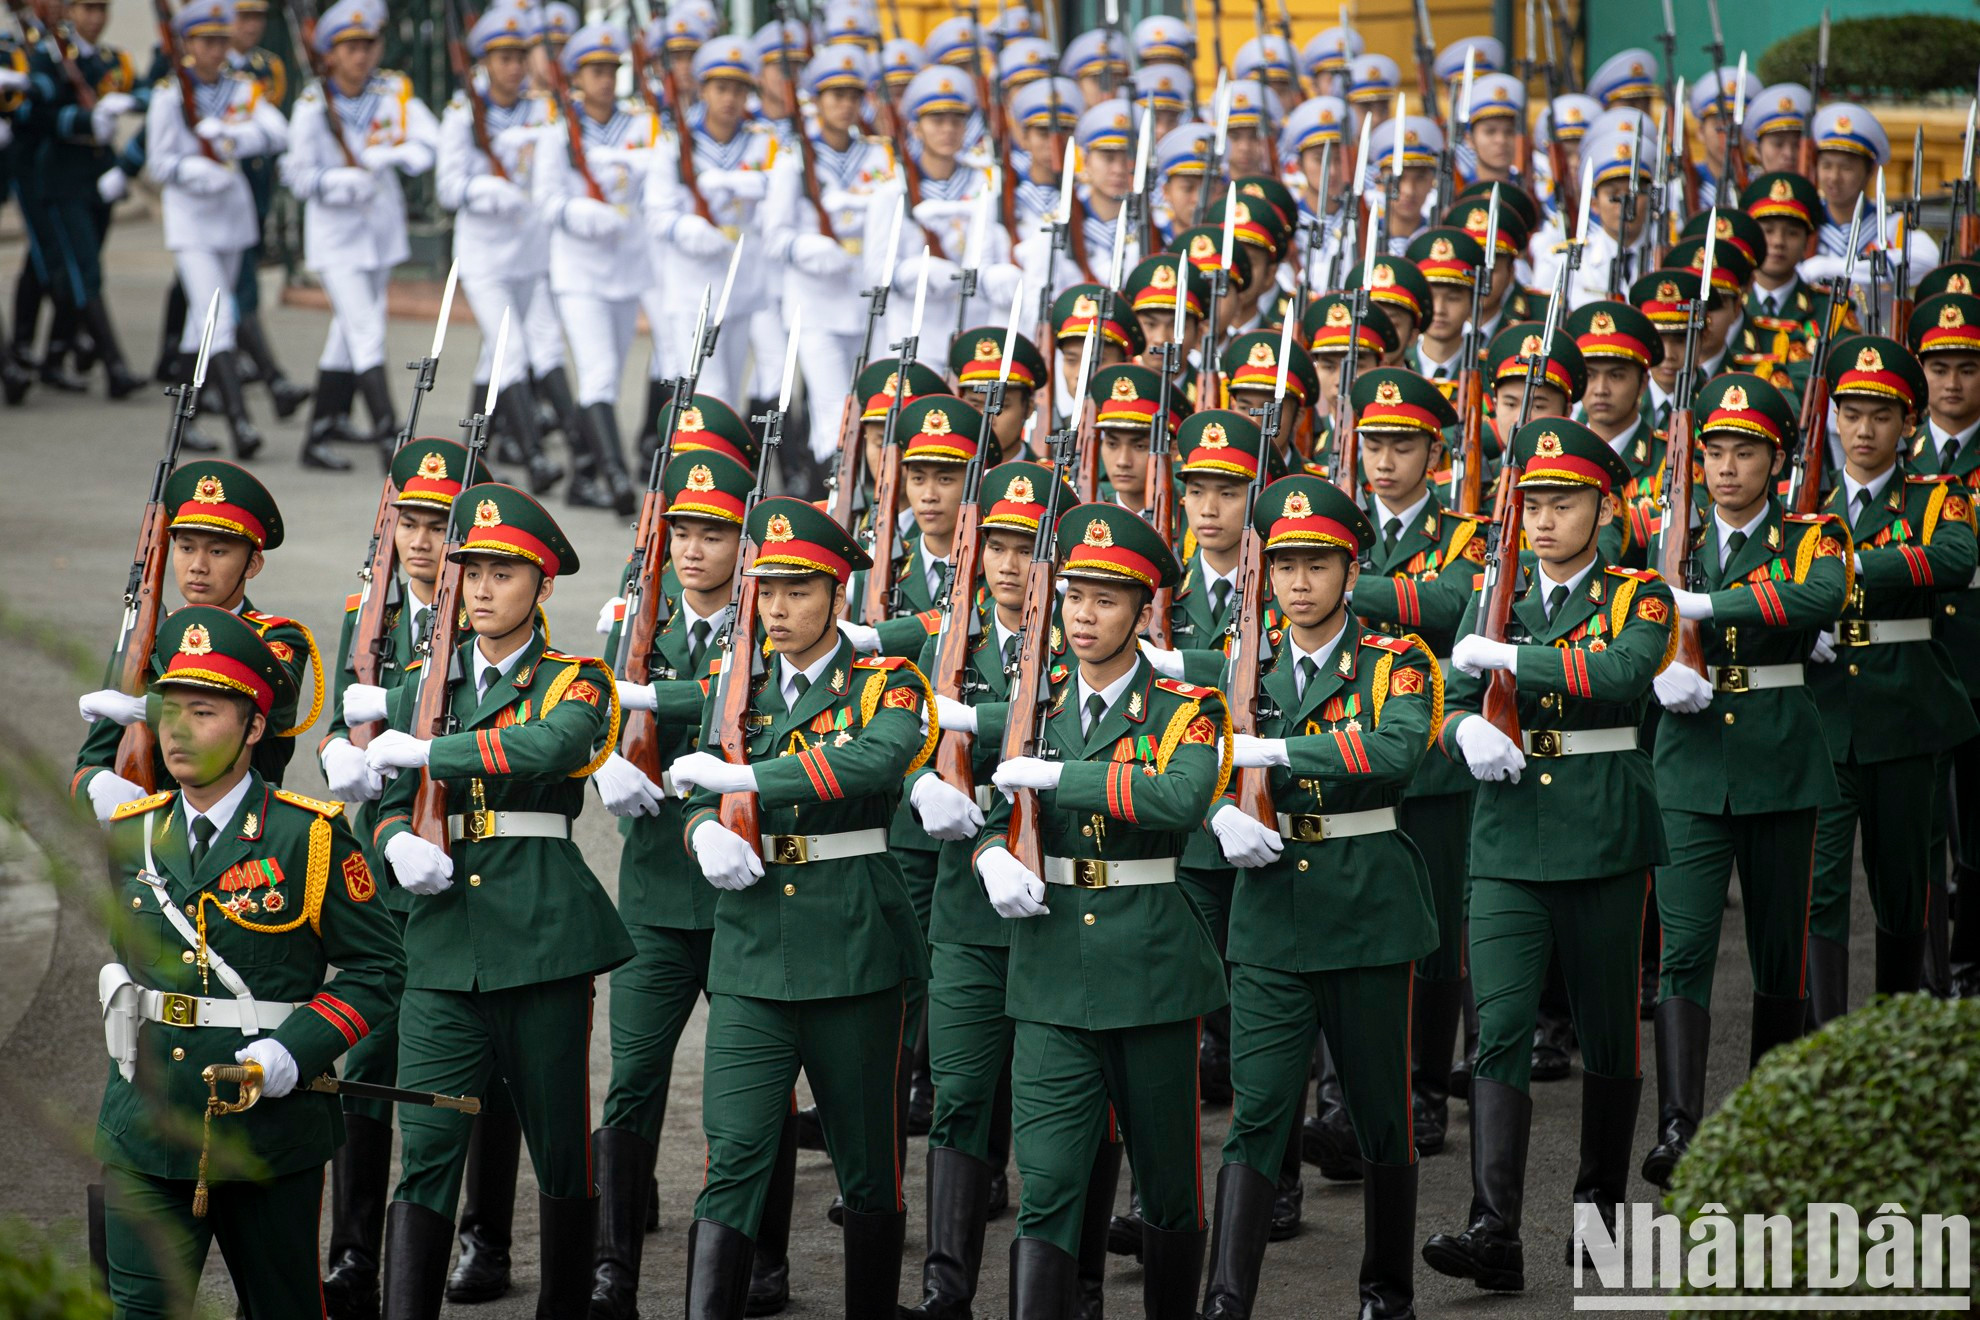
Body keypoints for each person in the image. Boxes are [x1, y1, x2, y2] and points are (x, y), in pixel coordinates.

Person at [365, 482, 633, 1316]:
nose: (481, 587)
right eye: (470, 569)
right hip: (443, 947)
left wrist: (427, 750)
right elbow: (380, 799)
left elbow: (552, 745)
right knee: (430, 1144)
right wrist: (393, 841)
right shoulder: (422, 681)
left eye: (503, 572)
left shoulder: (574, 680)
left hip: (543, 936)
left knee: (558, 1147)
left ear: (543, 586)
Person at [94, 605, 405, 1317]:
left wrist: (295, 1052)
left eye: (202, 712)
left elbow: (378, 970)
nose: (177, 731)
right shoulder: (132, 835)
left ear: (255, 726)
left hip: (269, 1132)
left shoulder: (310, 838)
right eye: (167, 710)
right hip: (145, 1124)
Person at [1422, 418, 1675, 1290]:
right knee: (1497, 1028)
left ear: (1600, 509)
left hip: (1602, 833)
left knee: (1609, 1032)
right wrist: (1461, 728)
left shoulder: (1639, 593)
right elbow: (1442, 695)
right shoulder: (1493, 591)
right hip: (1504, 837)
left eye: (1562, 504)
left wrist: (1511, 658)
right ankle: (1493, 1227)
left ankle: (1601, 1208)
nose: (1543, 520)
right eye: (1532, 503)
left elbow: (1621, 673)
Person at [669, 496, 934, 1315]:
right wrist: (700, 834)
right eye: (767, 591)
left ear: (836, 597)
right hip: (751, 951)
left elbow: (874, 762)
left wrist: (741, 783)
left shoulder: (886, 683)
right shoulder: (732, 682)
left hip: (851, 944)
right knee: (736, 1153)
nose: (778, 609)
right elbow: (695, 788)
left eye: (798, 590)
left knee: (866, 1168)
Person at [974, 502, 1230, 1317]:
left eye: (1107, 600)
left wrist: (1064, 780)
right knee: (1046, 1182)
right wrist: (986, 854)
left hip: (1150, 966)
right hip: (1050, 970)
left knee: (1167, 1185)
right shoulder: (1034, 700)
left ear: (1143, 609)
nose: (1084, 617)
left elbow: (1183, 796)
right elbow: (993, 806)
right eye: (1075, 597)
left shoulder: (1186, 705)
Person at [1199, 469, 1439, 1320]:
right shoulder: (1238, 664)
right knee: (1257, 1113)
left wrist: (1276, 758)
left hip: (1366, 912)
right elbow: (1188, 763)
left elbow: (1399, 749)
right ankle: (1226, 1299)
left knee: (1380, 1115)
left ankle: (1386, 1291)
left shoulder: (1393, 660)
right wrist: (1221, 809)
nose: (1299, 584)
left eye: (1319, 565)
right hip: (1269, 919)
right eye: (1286, 566)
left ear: (1350, 571)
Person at [1639, 372, 1847, 1189]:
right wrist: (1656, 656)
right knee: (1683, 947)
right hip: (1689, 768)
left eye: (1745, 452)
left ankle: (1770, 1122)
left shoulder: (1812, 533)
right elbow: (1625, 611)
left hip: (1780, 764)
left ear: (1777, 460)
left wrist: (1702, 607)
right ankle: (1679, 1126)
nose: (1726, 468)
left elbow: (1820, 595)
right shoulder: (1666, 533)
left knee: (1777, 950)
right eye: (1714, 452)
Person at [590, 450, 783, 1319]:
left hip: (750, 894)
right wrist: (605, 752)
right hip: (658, 897)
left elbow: (743, 705)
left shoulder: (773, 625)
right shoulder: (636, 624)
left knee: (751, 1091)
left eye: (716, 534)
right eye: (684, 534)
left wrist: (646, 697)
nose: (697, 550)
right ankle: (611, 1268)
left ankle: (762, 1261)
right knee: (632, 1079)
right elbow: (586, 707)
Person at [901, 459, 1080, 1319]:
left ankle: (1066, 1287)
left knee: (1066, 1115)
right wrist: (922, 785)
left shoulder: (1091, 642)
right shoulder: (949, 647)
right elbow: (890, 734)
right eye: (997, 546)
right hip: (967, 912)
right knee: (961, 1093)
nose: (1009, 566)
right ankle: (946, 1288)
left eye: (1028, 547)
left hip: (1066, 910)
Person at [316, 436, 489, 1318]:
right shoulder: (370, 612)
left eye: (438, 525)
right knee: (367, 1046)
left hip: (463, 858)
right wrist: (338, 755)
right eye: (409, 523)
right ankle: (353, 1252)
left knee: (481, 1053)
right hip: (373, 863)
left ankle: (485, 1233)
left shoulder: (492, 605)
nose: (422, 543)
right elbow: (348, 721)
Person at [1804, 337, 1979, 1018]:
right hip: (1823, 716)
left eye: (1881, 415)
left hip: (1904, 710)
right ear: (1835, 420)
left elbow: (1954, 559)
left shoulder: (1939, 496)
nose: (1864, 429)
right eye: (1852, 413)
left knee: (1904, 882)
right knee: (1816, 885)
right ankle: (1822, 1034)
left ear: (1908, 423)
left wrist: (1836, 572)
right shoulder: (1805, 504)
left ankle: (1895, 1023)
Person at [1339, 366, 1484, 1161]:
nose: (1385, 461)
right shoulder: (1341, 520)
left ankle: (1428, 1087)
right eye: (1374, 444)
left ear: (1436, 450)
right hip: (1348, 751)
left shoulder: (1463, 533)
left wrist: (1346, 581)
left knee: (1434, 933)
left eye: (1402, 445)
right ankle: (1345, 1098)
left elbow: (1456, 605)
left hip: (1429, 761)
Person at [75, 460, 321, 817]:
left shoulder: (276, 639)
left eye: (217, 551)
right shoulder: (146, 638)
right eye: (186, 548)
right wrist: (95, 783)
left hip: (243, 833)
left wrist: (150, 709)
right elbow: (92, 757)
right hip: (145, 826)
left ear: (252, 565)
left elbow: (264, 713)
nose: (197, 566)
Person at [282, 0, 437, 469]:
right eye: (350, 47)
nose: (361, 56)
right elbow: (296, 174)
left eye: (368, 45)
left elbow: (430, 142)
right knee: (367, 328)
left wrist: (397, 155)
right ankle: (392, 438)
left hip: (380, 232)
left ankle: (318, 436)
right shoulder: (312, 105)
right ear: (329, 53)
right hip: (336, 238)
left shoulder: (393, 92)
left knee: (347, 334)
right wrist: (334, 181)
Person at [143, 0, 287, 461]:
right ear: (187, 44)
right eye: (206, 41)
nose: (216, 49)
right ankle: (239, 421)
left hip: (231, 217)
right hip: (191, 222)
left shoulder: (240, 88)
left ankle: (181, 425)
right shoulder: (170, 93)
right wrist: (194, 170)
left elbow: (275, 132)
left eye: (221, 40)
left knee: (196, 326)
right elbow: (159, 162)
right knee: (217, 317)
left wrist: (233, 137)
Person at [435, 3, 566, 496]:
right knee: (512, 348)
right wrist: (487, 189)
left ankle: (475, 453)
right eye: (503, 57)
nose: (513, 66)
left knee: (496, 351)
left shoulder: (543, 110)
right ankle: (535, 455)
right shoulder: (462, 112)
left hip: (528, 253)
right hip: (484, 255)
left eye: (519, 56)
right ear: (485, 61)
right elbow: (448, 187)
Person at [534, 21, 654, 516]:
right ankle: (618, 480)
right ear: (577, 75)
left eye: (611, 69)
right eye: (595, 70)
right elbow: (545, 203)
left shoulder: (641, 126)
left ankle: (584, 473)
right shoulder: (557, 132)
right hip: (579, 273)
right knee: (599, 373)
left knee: (609, 373)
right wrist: (582, 213)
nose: (605, 79)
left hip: (626, 269)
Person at [764, 44, 896, 484]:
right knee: (831, 411)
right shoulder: (793, 159)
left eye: (853, 96)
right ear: (816, 101)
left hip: (865, 304)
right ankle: (828, 499)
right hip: (814, 306)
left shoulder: (879, 157)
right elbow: (774, 236)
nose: (844, 105)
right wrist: (808, 249)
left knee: (872, 407)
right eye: (834, 95)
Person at [1908, 291, 1980, 999]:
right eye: (1939, 367)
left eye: (1967, 367)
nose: (1953, 383)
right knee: (1926, 830)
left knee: (1979, 834)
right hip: (1920, 664)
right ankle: (1935, 972)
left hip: (1978, 655)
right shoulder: (1899, 454)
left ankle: (1969, 959)